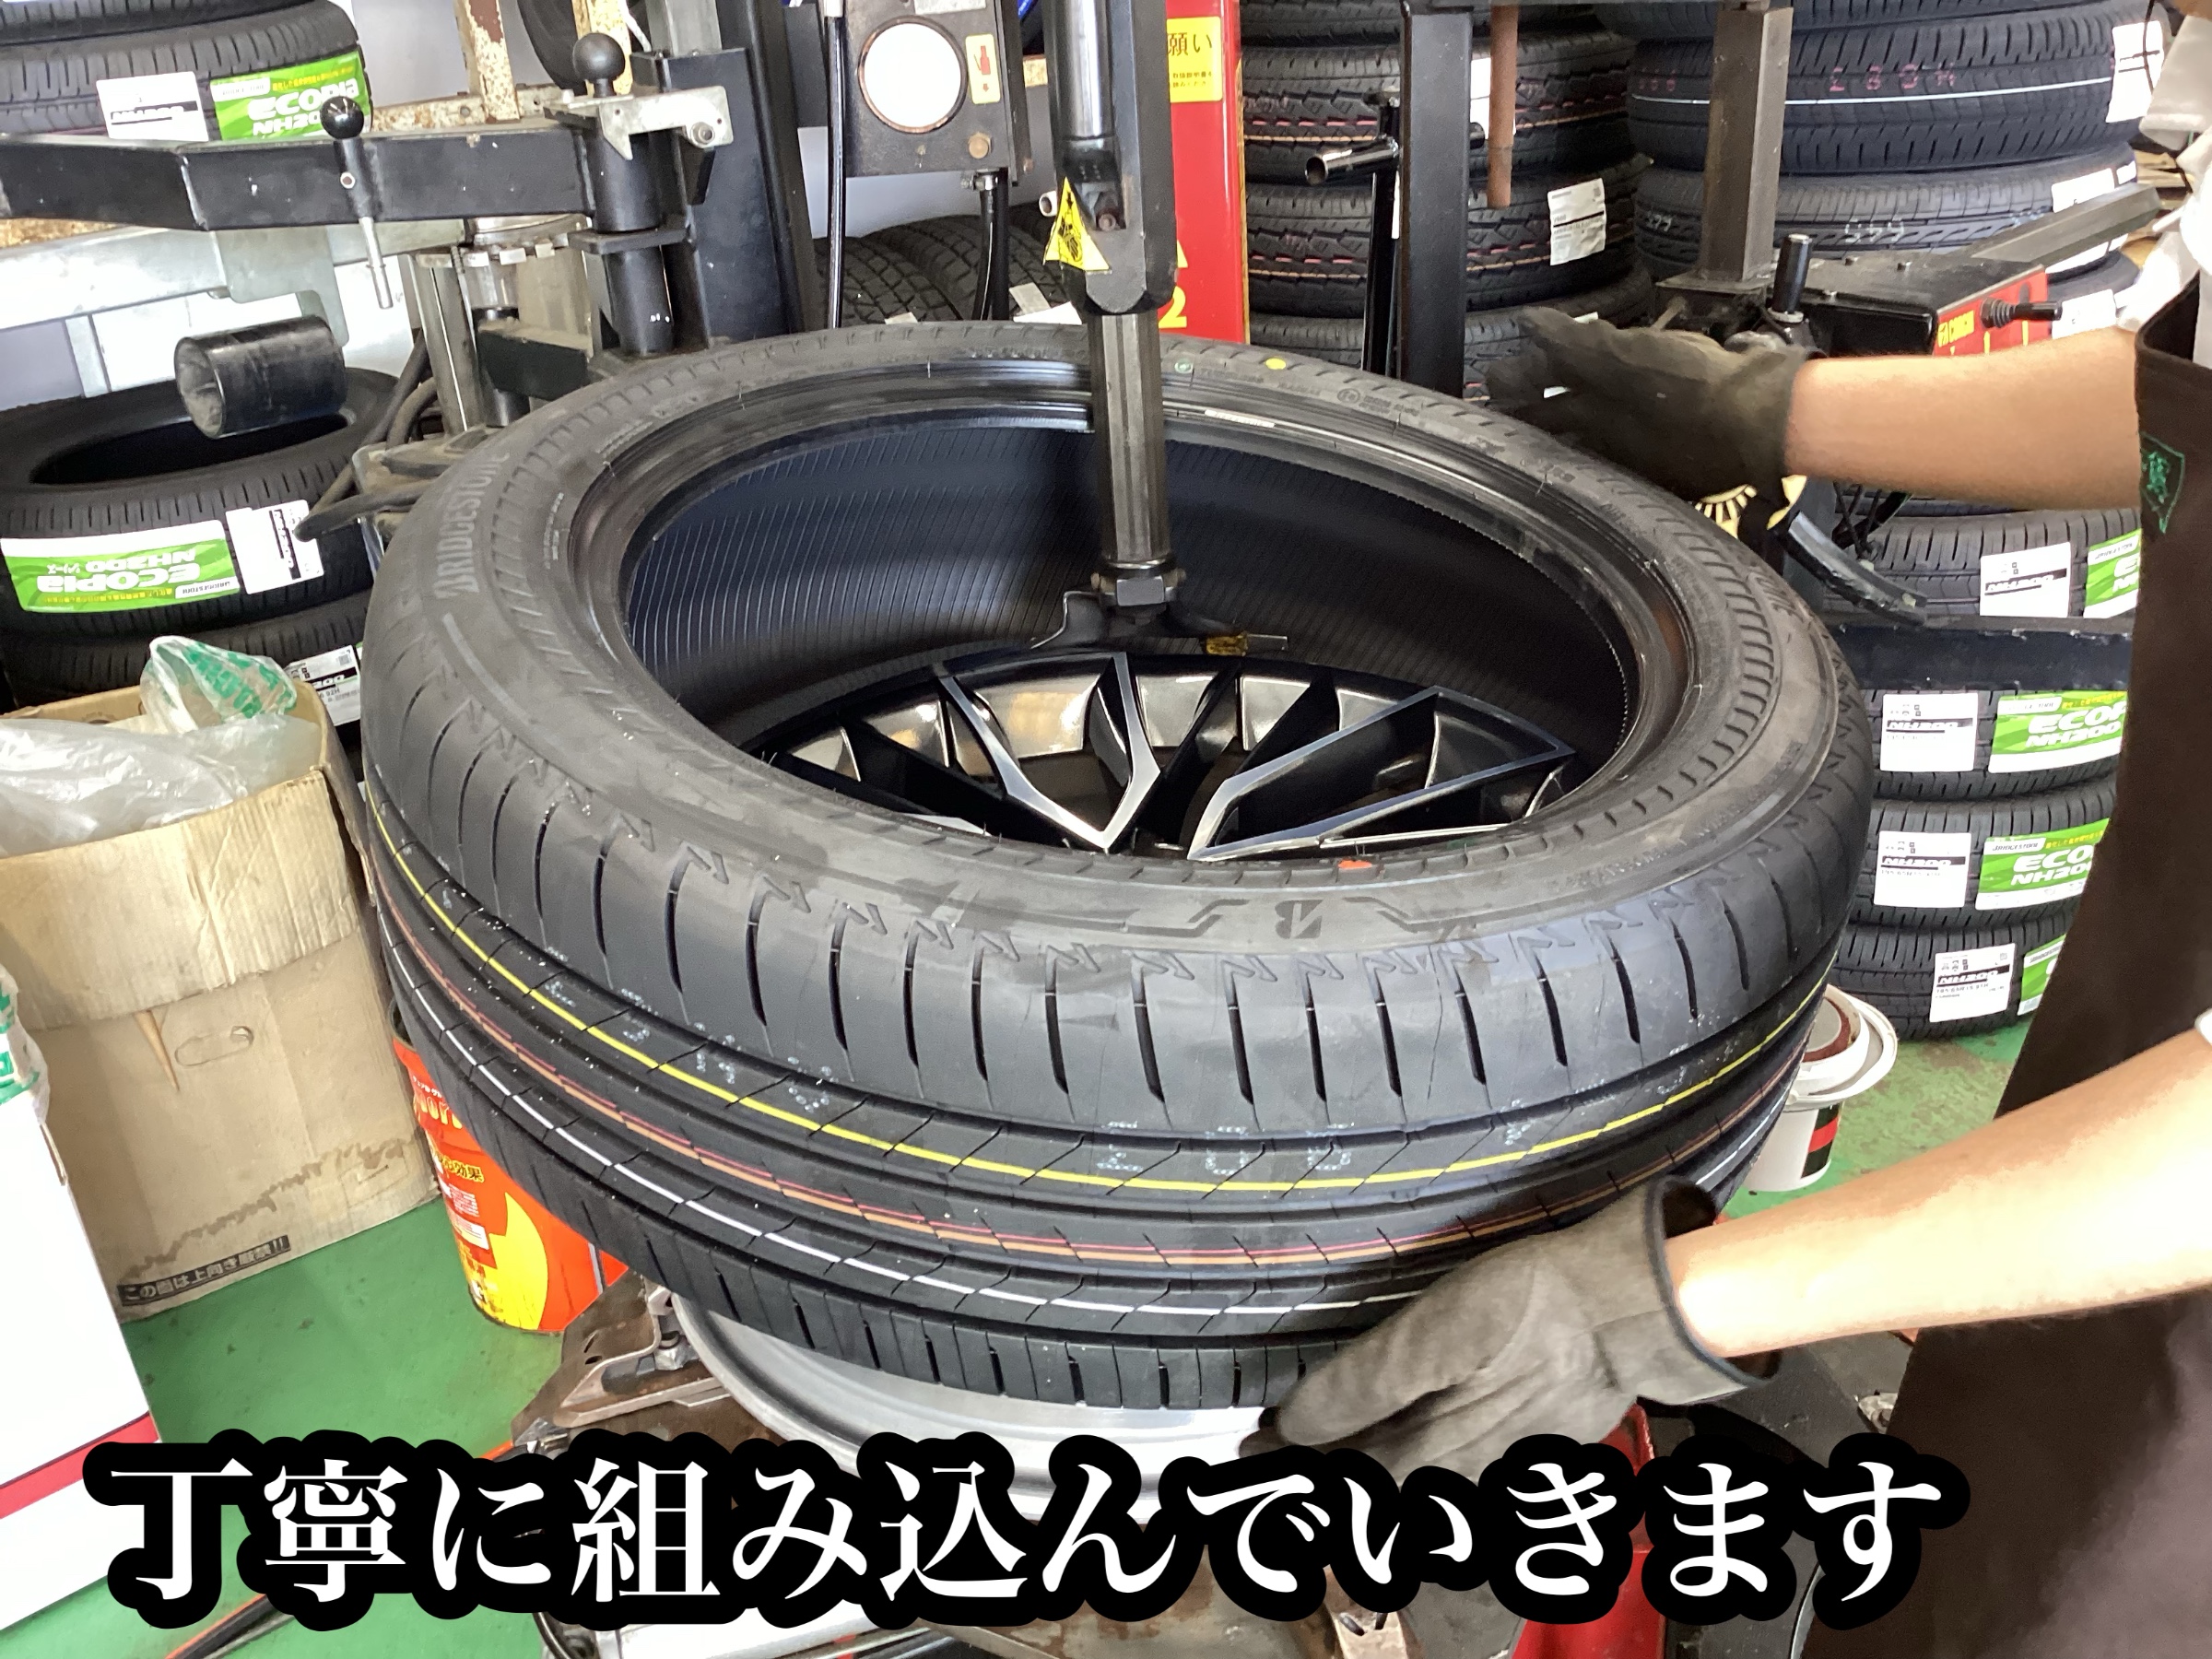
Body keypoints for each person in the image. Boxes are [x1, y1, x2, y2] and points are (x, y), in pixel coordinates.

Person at [1274, 24, 2212, 1656]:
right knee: (1993, 1502)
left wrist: (1666, 1304)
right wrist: (1779, 409)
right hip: (2135, 1099)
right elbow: (2176, 418)